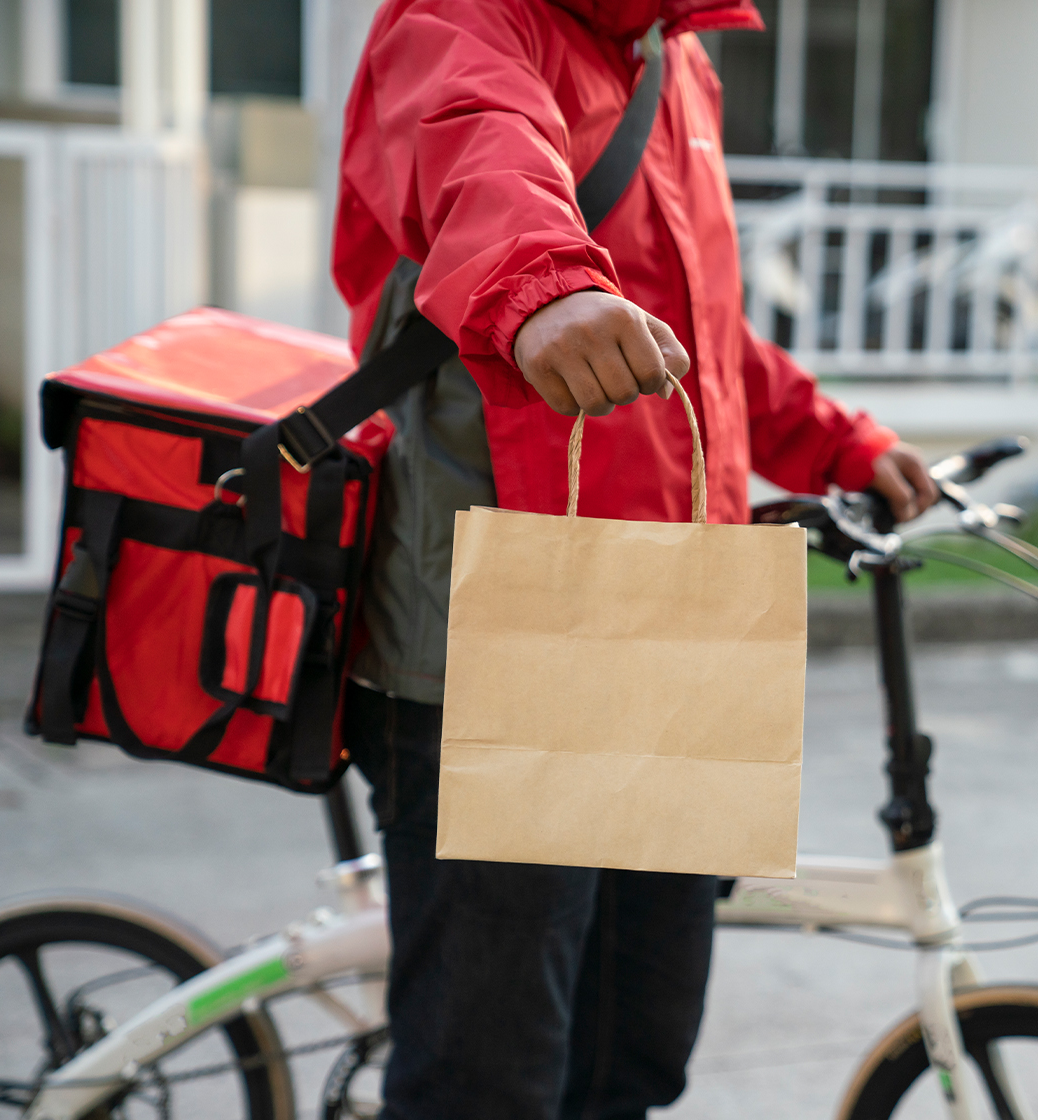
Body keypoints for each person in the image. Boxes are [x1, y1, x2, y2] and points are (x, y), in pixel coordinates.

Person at [331, 2, 937, 1117]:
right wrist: (546, 289)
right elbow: (484, 159)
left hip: (667, 620)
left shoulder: (677, 63)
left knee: (633, 1058)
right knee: (490, 1082)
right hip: (502, 627)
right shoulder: (459, 20)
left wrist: (846, 441)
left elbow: (696, 330)